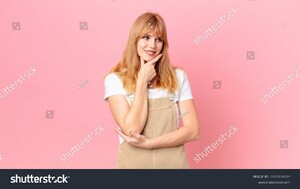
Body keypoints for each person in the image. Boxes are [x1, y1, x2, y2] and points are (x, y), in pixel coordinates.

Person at [104, 12, 200, 169]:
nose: (153, 45)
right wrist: (142, 81)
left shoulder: (178, 77)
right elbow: (132, 130)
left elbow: (193, 130)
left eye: (159, 39)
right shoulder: (115, 80)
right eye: (146, 37)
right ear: (135, 40)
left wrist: (150, 144)